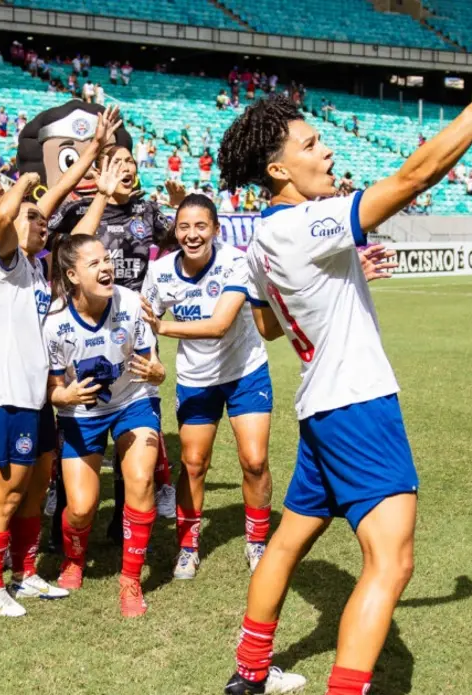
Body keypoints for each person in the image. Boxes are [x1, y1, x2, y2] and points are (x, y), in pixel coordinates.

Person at [213, 37, 472, 695]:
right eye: (310, 144)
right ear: (277, 169)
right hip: (356, 404)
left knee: (285, 545)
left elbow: (267, 323)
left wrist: (339, 283)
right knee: (390, 562)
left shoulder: (261, 237)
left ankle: (249, 672)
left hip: (321, 407)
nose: (326, 151)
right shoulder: (304, 225)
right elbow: (413, 178)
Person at [43, 162, 167, 618]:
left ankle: (130, 580)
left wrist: (158, 374)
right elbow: (53, 389)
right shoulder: (56, 323)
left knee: (141, 481)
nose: (107, 266)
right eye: (94, 262)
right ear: (73, 276)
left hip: (133, 401)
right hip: (83, 413)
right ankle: (73, 558)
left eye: (107, 259)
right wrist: (64, 397)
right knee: (81, 508)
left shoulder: (133, 304)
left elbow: (154, 367)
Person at [140, 194, 284, 582]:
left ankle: (257, 542)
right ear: (175, 231)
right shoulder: (160, 272)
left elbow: (219, 325)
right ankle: (188, 548)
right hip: (196, 378)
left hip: (244, 371)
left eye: (201, 226)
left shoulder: (235, 262)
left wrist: (163, 328)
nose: (192, 235)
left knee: (254, 461)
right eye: (184, 227)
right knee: (193, 464)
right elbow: (143, 323)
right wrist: (151, 358)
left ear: (216, 229)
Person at [0, 170, 61, 617]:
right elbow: (3, 218)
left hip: (36, 397)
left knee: (33, 489)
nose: (41, 223)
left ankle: (26, 574)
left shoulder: (37, 269)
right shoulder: (4, 262)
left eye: (43, 219)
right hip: (8, 397)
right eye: (33, 217)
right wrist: (24, 181)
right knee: (6, 496)